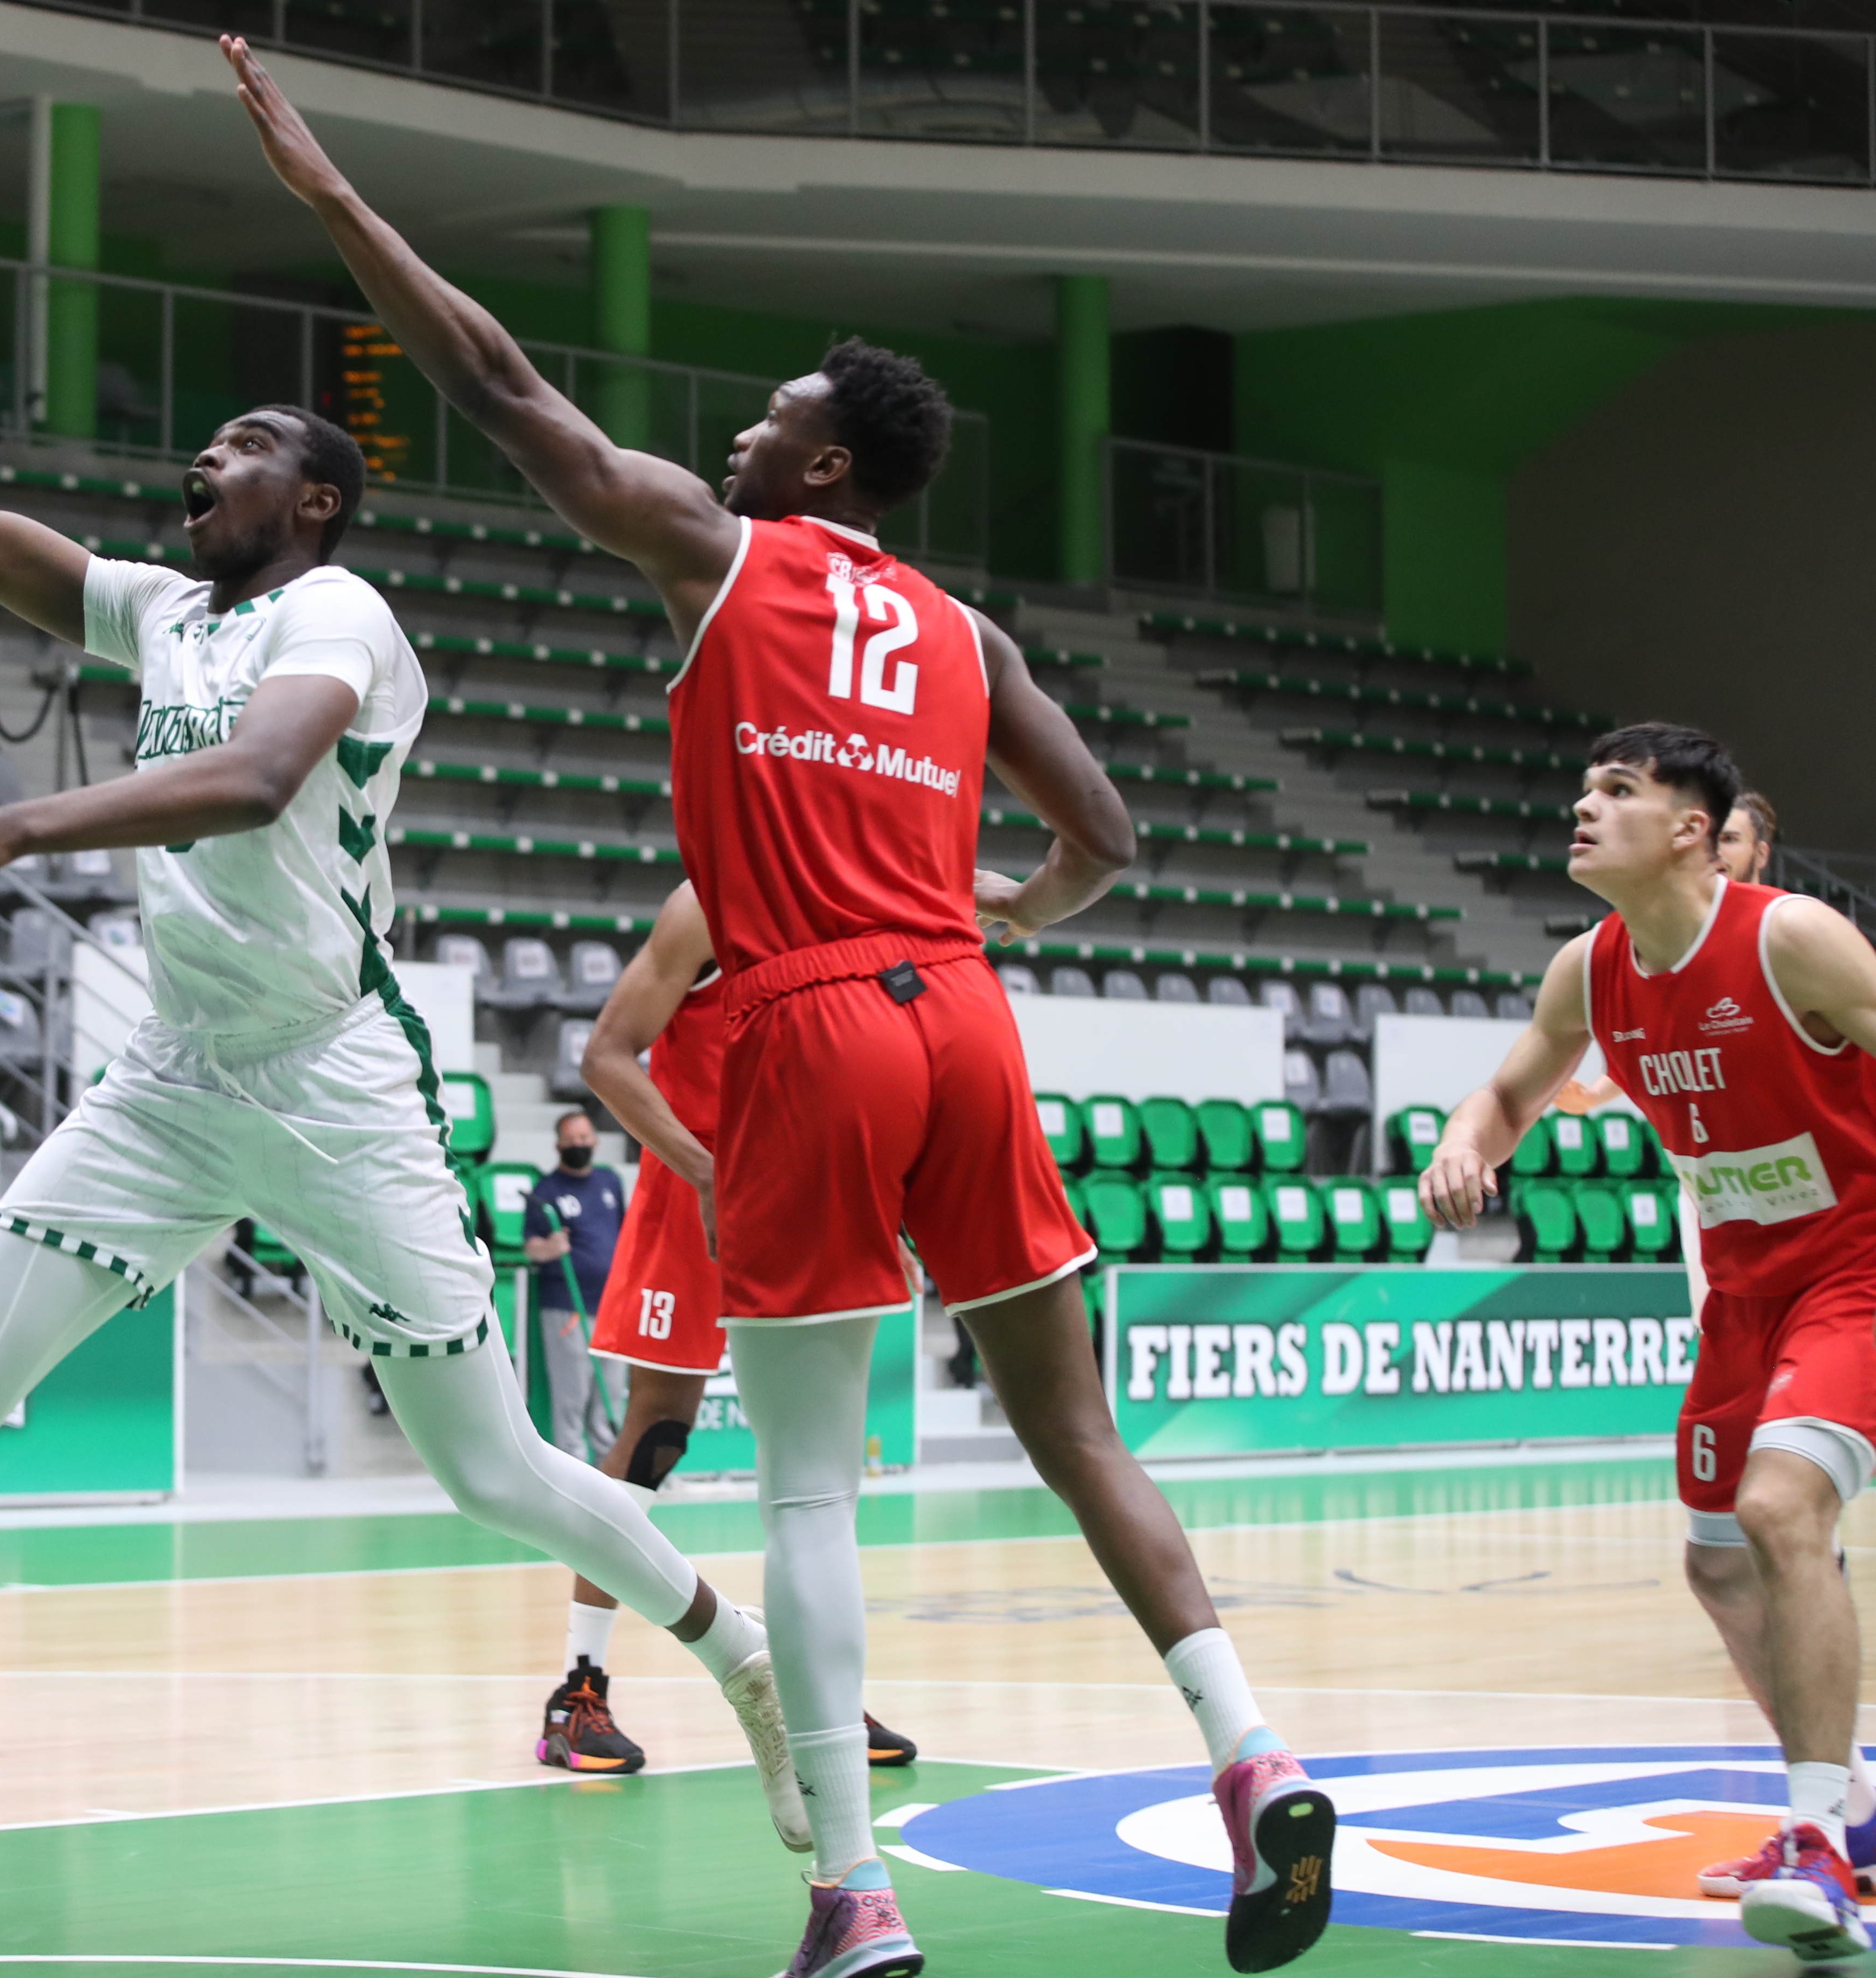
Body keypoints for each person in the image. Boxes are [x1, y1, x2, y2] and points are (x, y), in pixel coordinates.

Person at [222, 40, 1332, 1977]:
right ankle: (1248, 1755)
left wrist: (330, 199)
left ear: (822, 465)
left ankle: (853, 1888)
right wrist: (994, 902)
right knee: (1076, 1432)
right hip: (968, 1017)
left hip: (808, 1021)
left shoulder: (726, 556)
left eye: (768, 412)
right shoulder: (965, 633)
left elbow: (496, 387)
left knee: (805, 1477)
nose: (738, 429)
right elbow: (1111, 838)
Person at [0, 188, 807, 1856]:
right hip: (171, 1077)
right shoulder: (164, 611)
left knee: (494, 1471)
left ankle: (743, 1663)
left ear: (313, 498)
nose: (198, 468)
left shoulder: (341, 617)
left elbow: (253, 782)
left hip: (334, 1080)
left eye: (235, 449)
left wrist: (12, 827)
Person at [1421, 724, 1876, 1967]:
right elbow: (1510, 1094)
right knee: (1717, 1562)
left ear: (1689, 826)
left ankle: (1814, 1844)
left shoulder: (1788, 940)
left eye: (1614, 791)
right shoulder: (1587, 968)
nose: (1580, 807)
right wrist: (1467, 1142)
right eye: (1579, 787)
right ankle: (1842, 1803)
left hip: (1855, 1266)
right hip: (1737, 1294)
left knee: (1782, 1506)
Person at [541, 879, 920, 1781]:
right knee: (654, 1444)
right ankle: (576, 1691)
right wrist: (710, 1173)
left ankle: (818, 1696)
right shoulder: (706, 900)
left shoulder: (848, 895)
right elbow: (607, 1059)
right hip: (694, 1185)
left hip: (799, 1196)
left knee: (815, 1467)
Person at [1558, 789, 1781, 1114]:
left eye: (1730, 839)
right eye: (1708, 839)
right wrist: (1593, 1096)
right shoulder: (1675, 944)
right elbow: (1666, 1048)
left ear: (1761, 854)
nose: (1715, 852)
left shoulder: (1790, 935)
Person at [522, 1109, 622, 1460]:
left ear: (595, 1141)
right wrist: (551, 1248)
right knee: (572, 1394)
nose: (579, 1145)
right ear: (558, 1145)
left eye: (584, 1138)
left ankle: (612, 1478)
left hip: (611, 1307)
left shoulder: (610, 1182)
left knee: (610, 1392)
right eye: (571, 1140)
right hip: (568, 1307)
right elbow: (531, 1247)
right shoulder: (546, 1192)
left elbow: (623, 1234)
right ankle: (573, 1473)